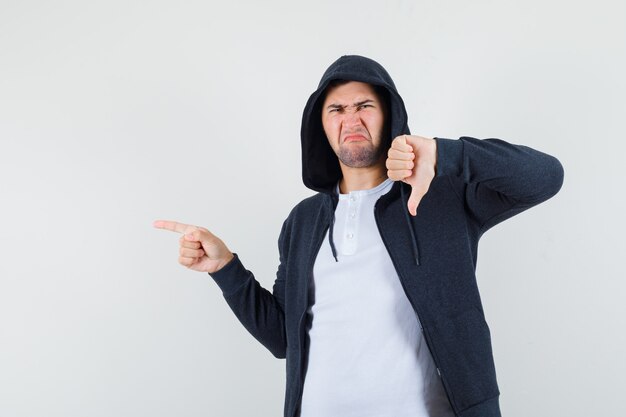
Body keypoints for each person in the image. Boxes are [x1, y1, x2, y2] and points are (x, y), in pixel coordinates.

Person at [154, 55, 564, 417]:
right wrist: (226, 268)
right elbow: (284, 338)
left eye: (364, 105)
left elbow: (546, 177)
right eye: (336, 109)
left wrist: (444, 155)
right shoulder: (302, 222)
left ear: (389, 115)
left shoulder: (442, 197)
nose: (351, 119)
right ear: (322, 126)